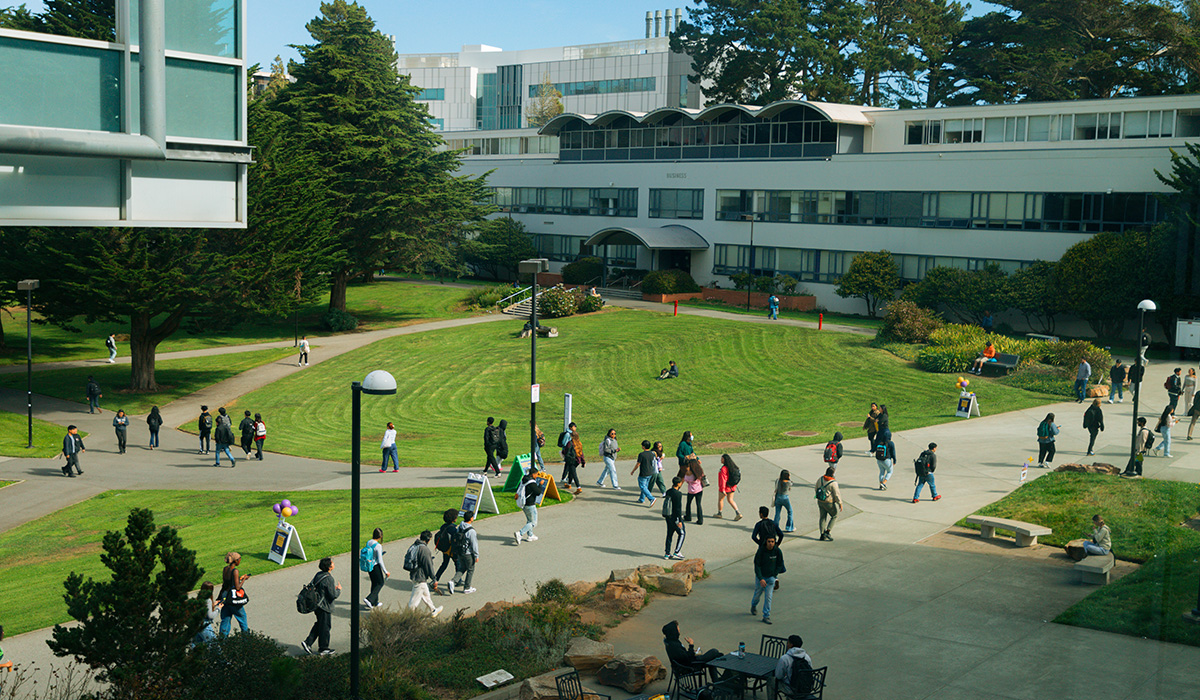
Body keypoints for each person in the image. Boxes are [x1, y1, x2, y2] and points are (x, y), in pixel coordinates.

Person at [300, 557, 340, 655]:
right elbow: (332, 595)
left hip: (317, 605)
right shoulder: (329, 578)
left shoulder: (318, 575)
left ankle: (308, 642)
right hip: (324, 606)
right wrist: (338, 589)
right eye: (332, 563)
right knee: (325, 627)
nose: (334, 564)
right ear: (329, 567)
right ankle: (323, 648)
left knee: (320, 625)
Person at [405, 530, 444, 616]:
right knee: (414, 601)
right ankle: (408, 617)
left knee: (426, 595)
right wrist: (434, 579)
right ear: (428, 539)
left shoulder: (415, 545)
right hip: (420, 577)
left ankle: (433, 610)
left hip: (414, 574)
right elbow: (428, 565)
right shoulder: (424, 549)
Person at [751, 535, 785, 624]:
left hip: (771, 578)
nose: (770, 544)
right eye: (769, 541)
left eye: (772, 542)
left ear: (775, 542)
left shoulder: (777, 551)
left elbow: (780, 563)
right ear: (766, 542)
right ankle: (753, 605)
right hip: (761, 577)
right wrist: (761, 578)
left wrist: (774, 575)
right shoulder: (761, 551)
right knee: (757, 594)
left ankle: (766, 616)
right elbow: (757, 565)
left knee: (768, 597)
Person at [219, 552, 249, 636]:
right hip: (233, 599)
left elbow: (226, 584)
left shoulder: (225, 569)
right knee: (242, 618)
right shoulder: (235, 571)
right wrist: (244, 579)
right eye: (239, 560)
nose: (240, 561)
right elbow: (237, 587)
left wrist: (219, 598)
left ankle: (222, 640)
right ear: (236, 561)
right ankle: (247, 639)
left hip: (225, 597)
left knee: (225, 620)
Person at [449, 511, 479, 594]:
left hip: (460, 551)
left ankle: (453, 581)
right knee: (470, 569)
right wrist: (476, 555)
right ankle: (467, 587)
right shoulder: (471, 531)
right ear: (471, 518)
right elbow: (474, 544)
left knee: (462, 568)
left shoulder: (460, 526)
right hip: (468, 553)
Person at [362, 527, 390, 609]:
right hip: (375, 566)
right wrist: (385, 571)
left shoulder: (369, 542)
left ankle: (375, 602)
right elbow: (380, 560)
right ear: (381, 536)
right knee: (380, 583)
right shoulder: (378, 546)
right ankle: (369, 599)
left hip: (369, 565)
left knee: (374, 583)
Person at [433, 509, 459, 590]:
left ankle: (435, 579)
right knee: (457, 563)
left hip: (445, 549)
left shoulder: (443, 526)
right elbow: (455, 540)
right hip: (451, 549)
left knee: (444, 564)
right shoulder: (453, 529)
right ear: (453, 519)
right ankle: (457, 580)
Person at [515, 471, 543, 544]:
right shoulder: (532, 483)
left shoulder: (524, 480)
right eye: (537, 474)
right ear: (533, 474)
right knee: (533, 523)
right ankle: (520, 533)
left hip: (523, 503)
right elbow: (538, 492)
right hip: (530, 504)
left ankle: (530, 536)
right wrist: (540, 485)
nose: (537, 476)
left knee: (529, 520)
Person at [815, 466, 842, 541]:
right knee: (834, 515)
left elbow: (816, 488)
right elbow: (837, 494)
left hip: (820, 501)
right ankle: (828, 531)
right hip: (829, 502)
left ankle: (822, 534)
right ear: (833, 474)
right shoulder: (833, 483)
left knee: (822, 517)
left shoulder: (820, 479)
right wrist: (840, 503)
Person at [663, 476, 686, 559]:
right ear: (679, 484)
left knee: (669, 534)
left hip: (668, 516)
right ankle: (677, 551)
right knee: (682, 533)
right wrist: (679, 520)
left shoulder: (668, 491)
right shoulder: (678, 494)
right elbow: (678, 508)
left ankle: (667, 553)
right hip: (675, 517)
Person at [715, 453, 742, 520]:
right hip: (732, 487)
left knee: (721, 500)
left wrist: (723, 489)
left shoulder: (724, 468)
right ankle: (738, 512)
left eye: (722, 458)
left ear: (725, 460)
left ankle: (719, 513)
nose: (721, 460)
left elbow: (723, 479)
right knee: (730, 500)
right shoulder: (733, 467)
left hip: (726, 487)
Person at [193, 582, 221, 646]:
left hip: (197, 624)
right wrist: (218, 609)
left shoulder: (199, 597)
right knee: (214, 646)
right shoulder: (208, 600)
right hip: (205, 626)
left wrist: (213, 605)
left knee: (196, 646)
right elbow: (210, 616)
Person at [631, 440, 657, 505]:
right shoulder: (652, 454)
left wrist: (633, 471)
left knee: (642, 486)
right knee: (645, 486)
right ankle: (642, 499)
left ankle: (651, 498)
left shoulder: (641, 454)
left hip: (644, 473)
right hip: (650, 472)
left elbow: (638, 464)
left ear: (643, 447)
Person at [560, 422, 584, 494]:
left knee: (573, 473)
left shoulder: (570, 443)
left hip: (571, 460)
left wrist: (563, 453)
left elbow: (565, 451)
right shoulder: (579, 444)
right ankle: (569, 484)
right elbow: (581, 453)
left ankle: (578, 487)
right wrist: (583, 462)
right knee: (571, 471)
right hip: (578, 460)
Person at [680, 458, 704, 524]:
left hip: (691, 490)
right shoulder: (699, 472)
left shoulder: (689, 474)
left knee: (688, 503)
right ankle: (700, 519)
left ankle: (688, 516)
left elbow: (686, 480)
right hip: (699, 489)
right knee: (698, 504)